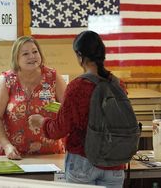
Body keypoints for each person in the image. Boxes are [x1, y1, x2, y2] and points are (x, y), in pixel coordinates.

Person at [29, 30, 126, 188]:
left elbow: (59, 129)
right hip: (114, 163)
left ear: (80, 56)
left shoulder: (77, 87)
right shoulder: (117, 84)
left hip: (83, 161)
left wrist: (41, 122)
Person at [0, 36, 66, 159]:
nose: (32, 56)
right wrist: (7, 145)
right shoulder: (6, 80)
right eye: (25, 54)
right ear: (16, 58)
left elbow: (68, 112)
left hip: (51, 154)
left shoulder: (53, 77)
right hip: (14, 155)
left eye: (35, 52)